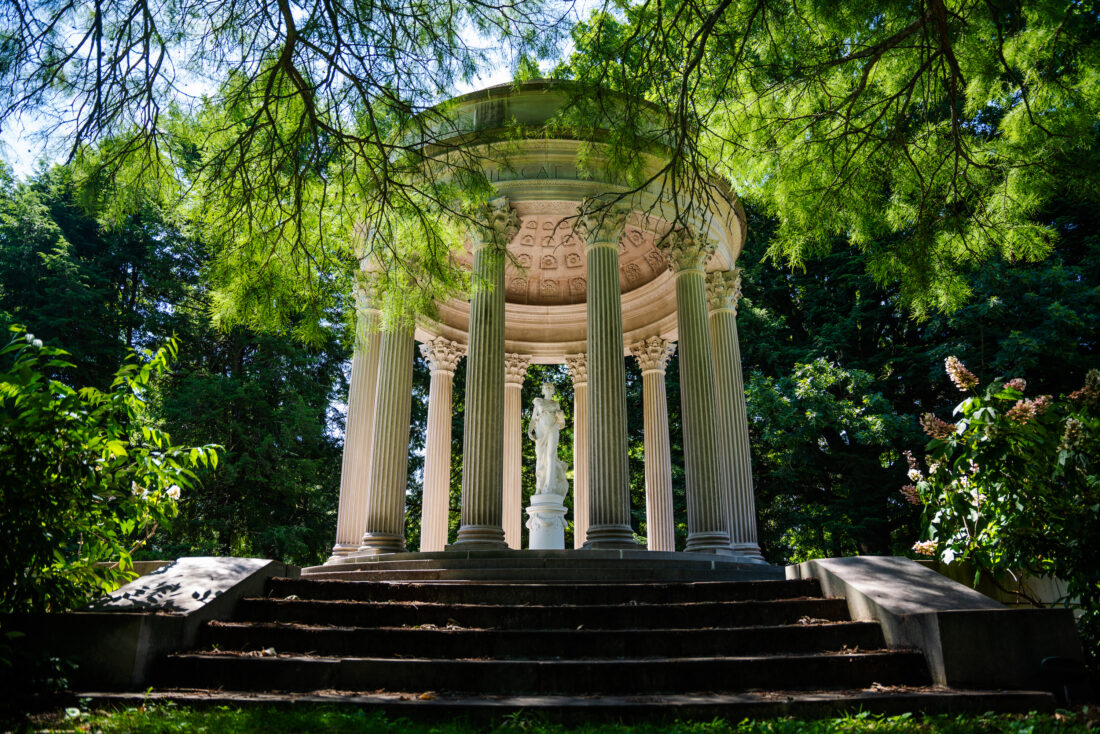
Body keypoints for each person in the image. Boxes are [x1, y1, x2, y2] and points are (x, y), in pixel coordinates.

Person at [527, 382, 568, 495]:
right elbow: (533, 419)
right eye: (546, 387)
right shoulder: (538, 401)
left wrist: (561, 417)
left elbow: (561, 424)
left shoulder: (556, 404)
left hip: (553, 429)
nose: (548, 389)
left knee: (551, 456)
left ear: (553, 390)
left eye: (550, 387)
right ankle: (539, 487)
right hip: (540, 432)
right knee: (540, 459)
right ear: (542, 390)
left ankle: (549, 487)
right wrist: (529, 431)